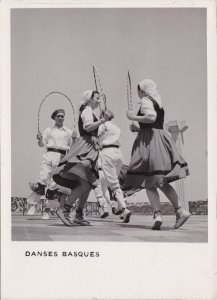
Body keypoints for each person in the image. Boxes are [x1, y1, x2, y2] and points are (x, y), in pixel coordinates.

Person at [124, 79, 191, 230]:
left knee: (147, 181)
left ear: (142, 90)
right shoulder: (156, 101)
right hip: (159, 139)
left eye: (138, 91)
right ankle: (180, 210)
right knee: (160, 180)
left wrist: (133, 117)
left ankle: (158, 215)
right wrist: (138, 128)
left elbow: (151, 117)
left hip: (149, 143)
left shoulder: (146, 100)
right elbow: (153, 122)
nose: (138, 94)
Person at [52, 90, 113, 226]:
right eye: (97, 98)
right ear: (89, 99)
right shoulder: (86, 110)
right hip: (85, 148)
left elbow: (96, 131)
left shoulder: (91, 112)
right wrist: (103, 120)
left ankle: (78, 215)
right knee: (86, 182)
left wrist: (103, 122)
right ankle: (64, 210)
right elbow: (87, 126)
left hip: (91, 149)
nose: (99, 101)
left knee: (89, 184)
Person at [27, 109, 73, 219]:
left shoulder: (68, 131)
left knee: (53, 184)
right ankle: (33, 205)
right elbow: (41, 144)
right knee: (43, 179)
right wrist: (39, 139)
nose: (61, 118)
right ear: (54, 118)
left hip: (61, 157)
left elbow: (72, 146)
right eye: (58, 116)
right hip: (48, 154)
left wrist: (75, 138)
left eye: (62, 116)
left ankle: (47, 211)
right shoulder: (48, 130)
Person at [94, 117, 132, 223]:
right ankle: (121, 206)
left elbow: (95, 136)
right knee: (115, 183)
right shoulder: (116, 128)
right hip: (118, 153)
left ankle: (124, 209)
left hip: (107, 153)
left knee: (113, 185)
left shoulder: (102, 126)